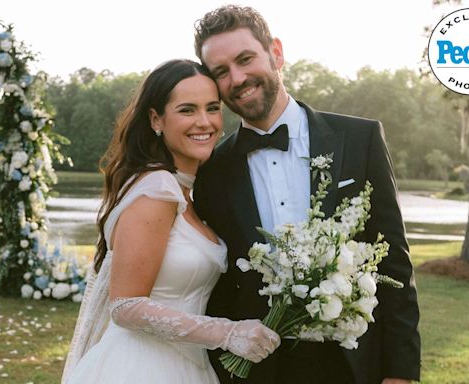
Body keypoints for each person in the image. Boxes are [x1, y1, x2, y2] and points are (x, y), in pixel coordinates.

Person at [193, 5, 421, 384]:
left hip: (353, 365)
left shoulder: (360, 140)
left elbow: (394, 262)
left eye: (245, 59)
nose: (237, 78)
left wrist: (400, 372)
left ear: (276, 53)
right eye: (221, 72)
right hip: (255, 371)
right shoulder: (212, 169)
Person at [61, 59, 280, 384]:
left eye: (212, 108)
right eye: (187, 110)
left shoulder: (186, 191)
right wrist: (228, 333)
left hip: (187, 364)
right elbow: (125, 304)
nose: (204, 122)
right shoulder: (157, 189)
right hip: (141, 367)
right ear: (156, 119)